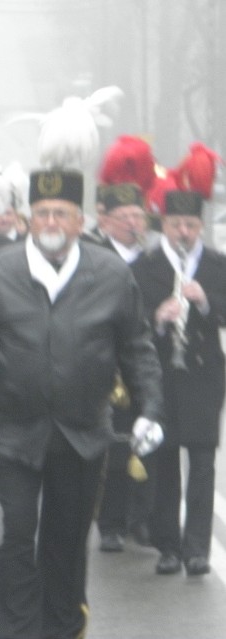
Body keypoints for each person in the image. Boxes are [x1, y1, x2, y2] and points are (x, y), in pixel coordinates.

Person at [0, 168, 164, 639]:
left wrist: (150, 408)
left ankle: (63, 628)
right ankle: (14, 630)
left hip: (83, 434)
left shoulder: (110, 274)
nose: (50, 221)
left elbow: (137, 348)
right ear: (29, 218)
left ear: (80, 220)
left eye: (61, 214)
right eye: (42, 212)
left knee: (66, 542)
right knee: (17, 533)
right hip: (14, 433)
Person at [131, 185, 226, 577]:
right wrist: (157, 318)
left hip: (204, 374)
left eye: (189, 225)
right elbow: (130, 321)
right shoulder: (145, 265)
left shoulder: (218, 264)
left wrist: (205, 301)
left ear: (200, 227)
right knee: (164, 459)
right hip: (162, 374)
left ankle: (197, 550)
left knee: (203, 461)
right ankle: (168, 545)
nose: (183, 232)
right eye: (175, 225)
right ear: (163, 226)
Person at [89, 181, 156, 553]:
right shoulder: (92, 255)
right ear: (107, 219)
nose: (134, 223)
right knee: (113, 448)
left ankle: (142, 518)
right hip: (106, 363)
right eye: (125, 216)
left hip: (144, 363)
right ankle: (111, 522)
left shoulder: (152, 261)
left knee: (147, 442)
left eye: (138, 216)